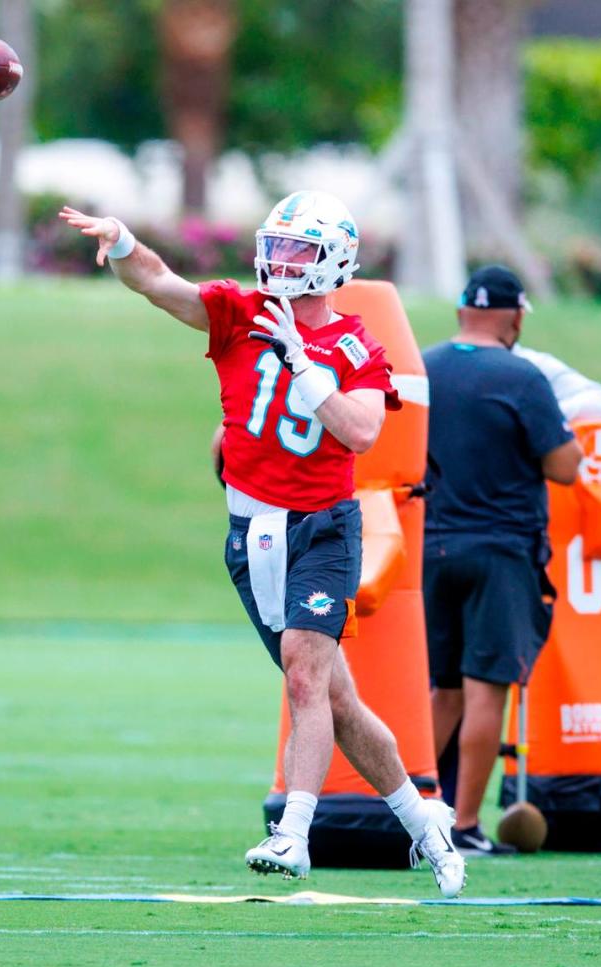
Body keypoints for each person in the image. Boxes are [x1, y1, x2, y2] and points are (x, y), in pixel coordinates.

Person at [60, 191, 465, 896]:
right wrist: (122, 241)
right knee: (336, 701)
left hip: (322, 527)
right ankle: (425, 821)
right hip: (252, 533)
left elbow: (363, 433)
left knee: (305, 676)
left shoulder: (356, 347)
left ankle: (293, 835)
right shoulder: (240, 312)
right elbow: (161, 284)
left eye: (298, 250)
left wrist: (303, 366)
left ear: (334, 262)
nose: (280, 261)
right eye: (274, 246)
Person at [421, 264, 583, 856]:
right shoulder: (523, 376)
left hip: (432, 548)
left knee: (440, 693)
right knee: (486, 689)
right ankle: (462, 826)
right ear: (514, 316)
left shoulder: (423, 366)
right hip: (502, 552)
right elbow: (564, 467)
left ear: (463, 309)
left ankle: (407, 813)